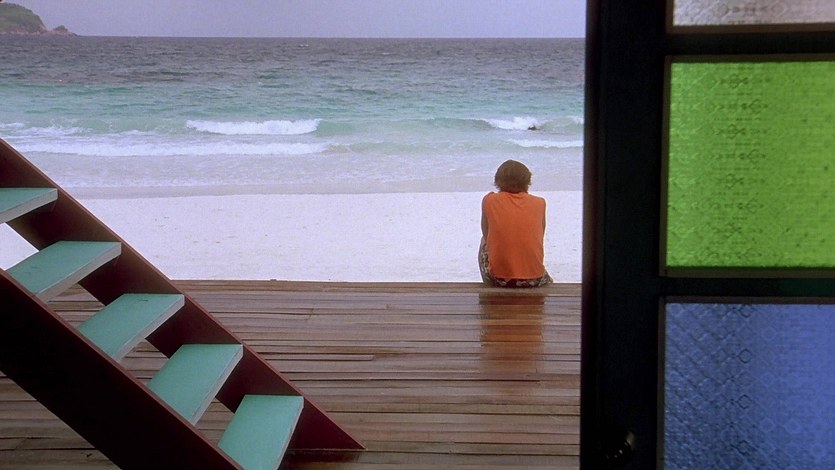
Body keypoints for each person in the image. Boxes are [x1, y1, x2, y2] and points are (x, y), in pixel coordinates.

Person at [479, 160, 552, 288]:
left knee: (484, 240)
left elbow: (486, 233)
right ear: (527, 181)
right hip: (534, 279)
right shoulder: (540, 203)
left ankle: (490, 283)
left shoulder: (489, 200)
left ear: (498, 181)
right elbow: (540, 234)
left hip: (501, 279)